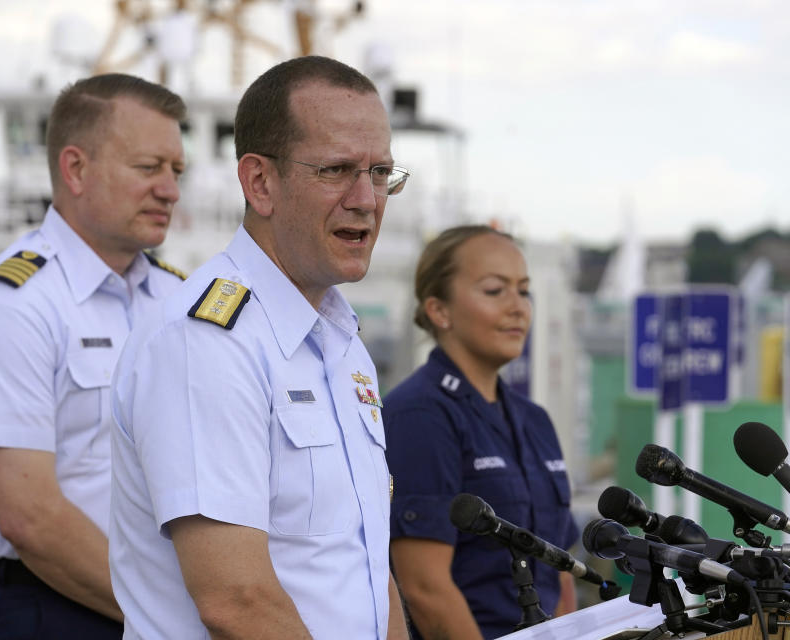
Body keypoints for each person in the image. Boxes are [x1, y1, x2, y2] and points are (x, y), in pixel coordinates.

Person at [110, 55, 411, 639]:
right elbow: (236, 600)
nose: (367, 200)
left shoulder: (342, 344)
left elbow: (367, 567)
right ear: (260, 183)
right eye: (337, 170)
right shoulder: (205, 344)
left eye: (380, 173)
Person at [0, 73, 187, 639]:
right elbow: (31, 519)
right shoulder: (9, 306)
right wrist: (171, 620)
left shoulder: (179, 302)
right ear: (75, 169)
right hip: (40, 611)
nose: (169, 190)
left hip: (156, 611)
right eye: (149, 168)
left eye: (177, 172)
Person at [384, 225, 579, 640]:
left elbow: (558, 571)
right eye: (495, 291)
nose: (518, 308)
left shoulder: (534, 419)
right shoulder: (421, 414)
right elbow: (425, 589)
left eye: (524, 291)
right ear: (439, 310)